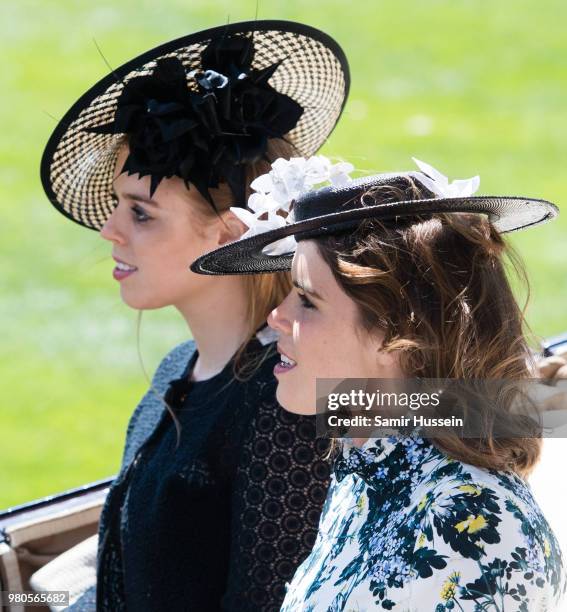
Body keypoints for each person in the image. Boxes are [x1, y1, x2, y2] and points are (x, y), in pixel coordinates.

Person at [40, 21, 350, 611]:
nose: (110, 231)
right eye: (117, 206)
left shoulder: (283, 401)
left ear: (228, 235)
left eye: (142, 213)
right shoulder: (177, 369)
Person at [192, 157, 567, 610]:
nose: (278, 316)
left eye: (308, 301)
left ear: (398, 333)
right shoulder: (367, 466)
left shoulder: (469, 525)